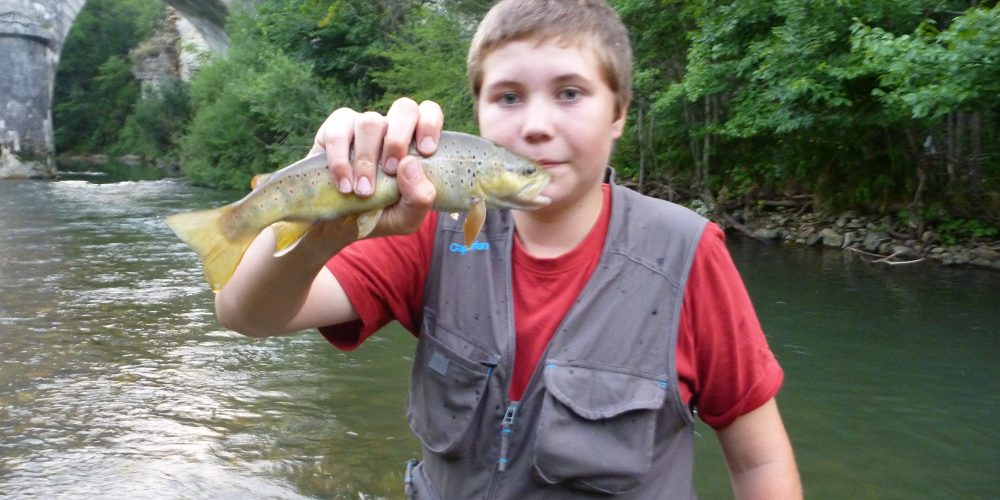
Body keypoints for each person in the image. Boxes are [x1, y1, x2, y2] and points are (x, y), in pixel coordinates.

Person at [214, 0, 802, 498]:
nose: (538, 124)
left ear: (620, 112)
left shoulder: (687, 253)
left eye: (570, 93)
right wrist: (324, 229)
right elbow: (247, 314)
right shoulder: (423, 226)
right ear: (477, 115)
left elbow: (759, 461)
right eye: (509, 97)